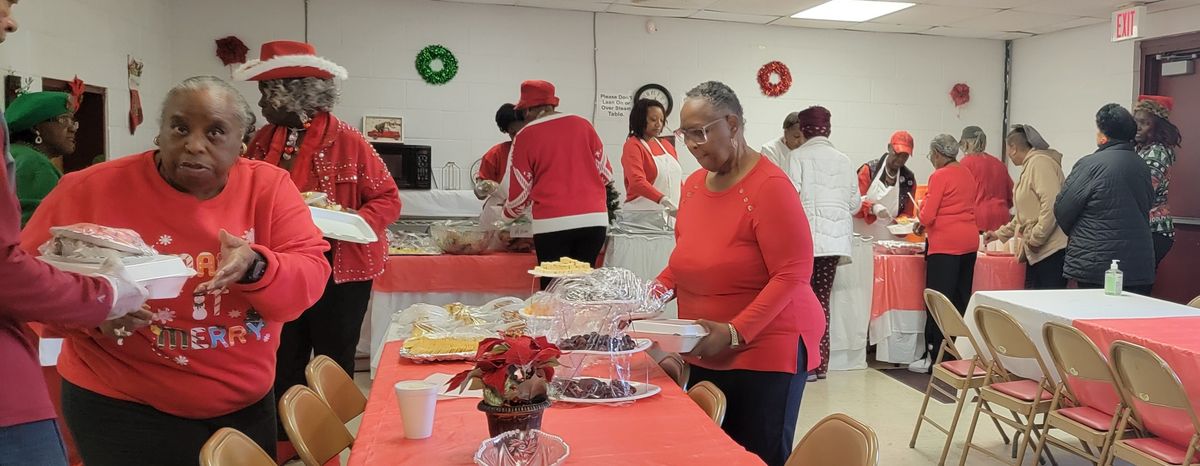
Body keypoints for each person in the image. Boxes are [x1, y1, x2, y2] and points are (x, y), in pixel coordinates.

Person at [19, 76, 332, 465]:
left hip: (243, 404)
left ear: (242, 143)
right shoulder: (89, 189)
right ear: (161, 132)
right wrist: (94, 312)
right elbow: (27, 283)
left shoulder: (268, 188)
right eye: (180, 128)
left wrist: (256, 266)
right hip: (122, 404)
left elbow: (309, 274)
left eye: (215, 132)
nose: (194, 144)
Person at [0, 4, 151, 464]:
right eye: (65, 121)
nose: (11, 22)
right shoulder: (37, 167)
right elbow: (17, 257)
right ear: (39, 129)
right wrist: (105, 294)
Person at [236, 40, 402, 432]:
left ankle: (328, 440)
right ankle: (284, 439)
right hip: (281, 267)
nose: (260, 102)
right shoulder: (262, 140)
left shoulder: (349, 141)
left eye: (266, 91)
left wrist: (352, 222)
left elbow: (388, 199)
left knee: (333, 357)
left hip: (340, 269)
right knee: (282, 353)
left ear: (293, 94)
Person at [658, 81, 824, 466]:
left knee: (755, 455)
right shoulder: (693, 186)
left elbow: (793, 273)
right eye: (685, 134)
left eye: (700, 132)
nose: (692, 144)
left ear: (732, 124)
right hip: (705, 345)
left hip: (764, 350)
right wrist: (645, 298)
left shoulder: (770, 187)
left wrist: (735, 332)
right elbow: (683, 261)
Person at [504, 80, 613, 289]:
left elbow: (520, 194)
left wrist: (505, 216)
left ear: (528, 109)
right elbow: (606, 174)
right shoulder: (583, 125)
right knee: (581, 288)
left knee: (553, 289)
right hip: (594, 221)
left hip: (552, 224)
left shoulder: (525, 135)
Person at [784, 106, 857, 381]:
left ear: (803, 130)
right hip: (835, 243)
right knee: (822, 299)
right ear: (828, 129)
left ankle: (807, 364)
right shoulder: (845, 160)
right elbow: (854, 203)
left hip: (806, 241)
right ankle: (821, 364)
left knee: (802, 300)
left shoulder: (796, 156)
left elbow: (790, 197)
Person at [1055, 104, 1155, 294]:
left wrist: (1082, 234)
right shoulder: (1141, 165)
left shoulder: (1090, 164)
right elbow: (1148, 202)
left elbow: (1063, 209)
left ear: (1103, 134)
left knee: (1094, 311)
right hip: (1138, 262)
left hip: (1095, 261)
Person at [911, 134, 978, 373]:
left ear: (938, 154)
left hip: (945, 245)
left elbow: (928, 214)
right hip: (969, 242)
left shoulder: (940, 175)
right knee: (959, 300)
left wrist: (920, 219)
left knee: (938, 302)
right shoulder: (966, 173)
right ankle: (955, 355)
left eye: (931, 155)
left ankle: (934, 356)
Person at [985, 125, 1068, 289]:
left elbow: (1051, 205)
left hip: (1050, 251)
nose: (1008, 155)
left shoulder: (1040, 164)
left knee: (1045, 300)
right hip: (1037, 251)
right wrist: (999, 234)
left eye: (1008, 150)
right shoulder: (1031, 165)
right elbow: (1024, 216)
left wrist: (1036, 238)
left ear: (1013, 148)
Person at [5, 91, 76, 226]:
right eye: (64, 120)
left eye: (72, 121)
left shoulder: (13, 154)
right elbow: (37, 228)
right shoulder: (34, 164)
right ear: (36, 127)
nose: (72, 128)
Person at [1133, 95, 1182, 269]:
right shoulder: (1141, 149)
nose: (1138, 127)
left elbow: (1142, 191)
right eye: (1136, 122)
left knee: (1138, 281)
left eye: (1145, 123)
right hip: (1146, 229)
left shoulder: (1157, 152)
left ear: (1157, 126)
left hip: (1154, 230)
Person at [621, 98, 681, 214]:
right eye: (653, 119)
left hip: (671, 215)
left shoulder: (667, 146)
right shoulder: (633, 145)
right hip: (642, 216)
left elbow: (677, 180)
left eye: (662, 120)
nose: (658, 124)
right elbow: (637, 182)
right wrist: (663, 200)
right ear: (640, 119)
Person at [854, 130, 917, 239]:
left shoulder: (908, 180)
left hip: (890, 239)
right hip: (863, 236)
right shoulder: (869, 170)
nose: (900, 160)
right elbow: (854, 204)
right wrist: (872, 208)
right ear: (889, 147)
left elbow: (907, 212)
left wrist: (904, 223)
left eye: (905, 156)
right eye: (897, 154)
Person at [958, 126, 1012, 232]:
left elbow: (958, 196)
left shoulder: (965, 163)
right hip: (1001, 218)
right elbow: (1011, 196)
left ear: (965, 143)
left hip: (977, 219)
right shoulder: (999, 164)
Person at [474, 103, 525, 196]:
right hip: (501, 204)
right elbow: (480, 194)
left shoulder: (539, 152)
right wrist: (484, 187)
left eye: (522, 132)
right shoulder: (495, 154)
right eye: (513, 133)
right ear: (508, 131)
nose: (517, 137)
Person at [760, 112, 803, 178]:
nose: (801, 141)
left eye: (805, 136)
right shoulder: (769, 150)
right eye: (796, 136)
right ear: (785, 133)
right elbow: (774, 178)